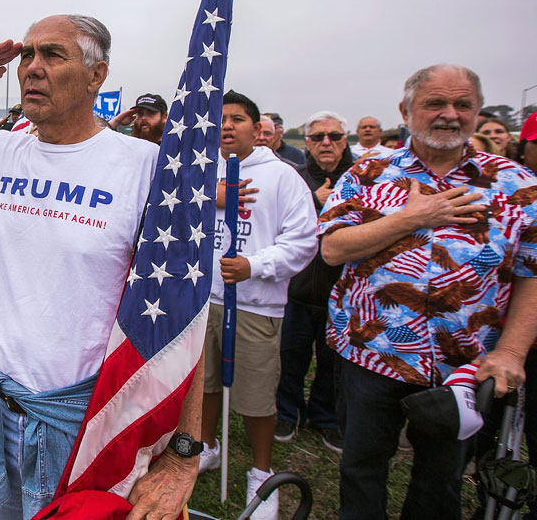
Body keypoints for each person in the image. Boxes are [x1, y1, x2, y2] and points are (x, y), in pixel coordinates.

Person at [0, 14, 198, 520]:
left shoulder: (144, 167)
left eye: (52, 55)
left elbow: (184, 318)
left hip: (85, 423)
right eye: (26, 55)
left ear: (96, 76)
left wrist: (183, 457)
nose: (31, 68)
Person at [320, 64, 537, 520]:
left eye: (462, 105)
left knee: (441, 481)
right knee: (362, 467)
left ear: (478, 112)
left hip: (464, 364)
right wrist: (410, 219)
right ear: (406, 111)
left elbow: (531, 272)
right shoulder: (368, 174)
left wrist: (513, 351)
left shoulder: (516, 186)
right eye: (435, 103)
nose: (449, 115)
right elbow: (333, 249)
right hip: (369, 351)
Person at [198, 91, 316, 520]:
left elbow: (303, 241)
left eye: (237, 119)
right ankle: (207, 446)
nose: (227, 126)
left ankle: (261, 473)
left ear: (256, 127)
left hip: (254, 305)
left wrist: (255, 265)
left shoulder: (282, 177)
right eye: (220, 119)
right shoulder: (203, 172)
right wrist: (212, 196)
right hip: (205, 299)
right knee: (206, 383)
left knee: (254, 395)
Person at [275, 111, 354, 454]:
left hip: (342, 290)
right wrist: (314, 201)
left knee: (331, 360)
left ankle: (325, 418)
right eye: (319, 137)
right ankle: (287, 412)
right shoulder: (293, 177)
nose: (327, 143)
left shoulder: (361, 178)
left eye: (334, 137)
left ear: (344, 142)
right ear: (306, 143)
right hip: (298, 287)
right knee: (291, 354)